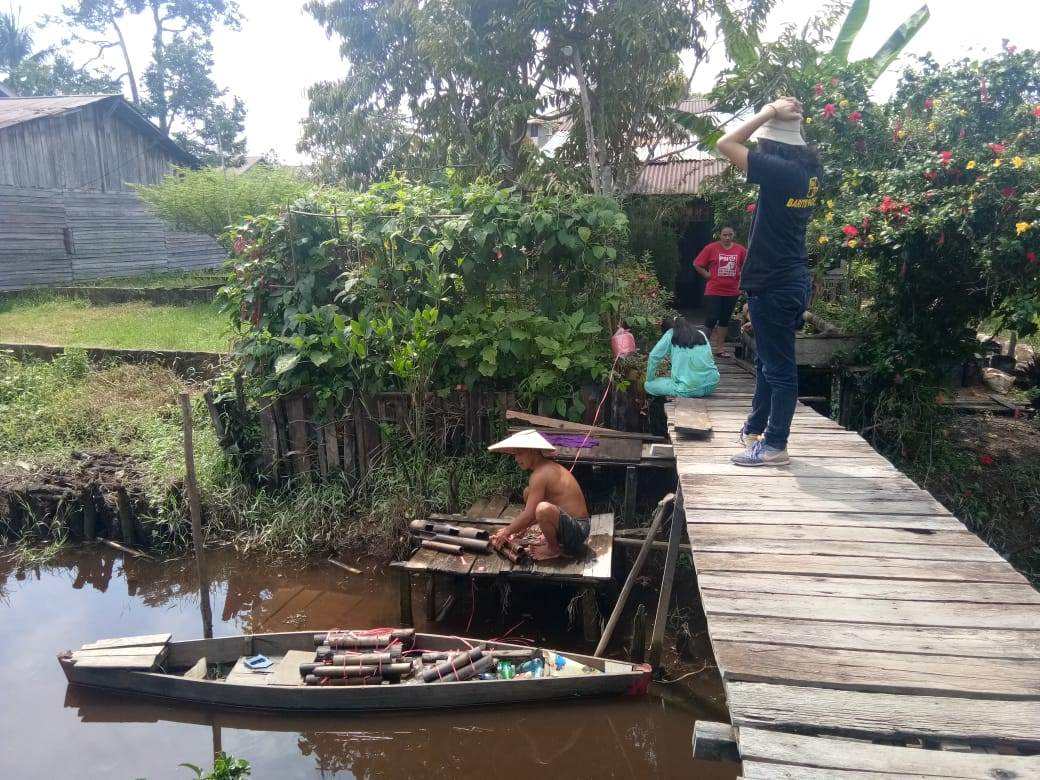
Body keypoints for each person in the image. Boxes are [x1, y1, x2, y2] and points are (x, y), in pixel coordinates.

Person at [716, 96, 821, 467]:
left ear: (773, 145)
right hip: (783, 280)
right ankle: (757, 426)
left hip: (777, 285)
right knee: (767, 362)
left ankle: (775, 445)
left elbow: (725, 144)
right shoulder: (808, 172)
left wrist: (769, 113)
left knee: (778, 367)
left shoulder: (781, 172)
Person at [488, 429, 591, 561]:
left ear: (533, 451)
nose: (516, 459)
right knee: (528, 492)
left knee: (542, 509)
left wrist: (506, 531)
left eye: (520, 454)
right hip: (568, 525)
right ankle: (551, 537)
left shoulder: (540, 474)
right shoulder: (542, 470)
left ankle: (553, 549)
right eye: (515, 454)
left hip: (578, 530)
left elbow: (530, 514)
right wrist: (519, 530)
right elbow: (531, 513)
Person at [693, 226, 747, 357]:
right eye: (724, 235)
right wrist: (707, 275)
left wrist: (741, 280)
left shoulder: (740, 250)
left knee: (724, 319)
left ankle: (720, 349)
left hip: (731, 291)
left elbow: (747, 266)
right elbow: (697, 263)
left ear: (734, 235)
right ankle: (701, 348)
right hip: (714, 290)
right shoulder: (711, 248)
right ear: (720, 235)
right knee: (711, 318)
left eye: (730, 235)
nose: (727, 237)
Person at [644, 316, 720, 398]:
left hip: (689, 389)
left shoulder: (670, 333)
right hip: (712, 384)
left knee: (648, 385)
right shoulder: (701, 334)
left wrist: (649, 379)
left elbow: (654, 356)